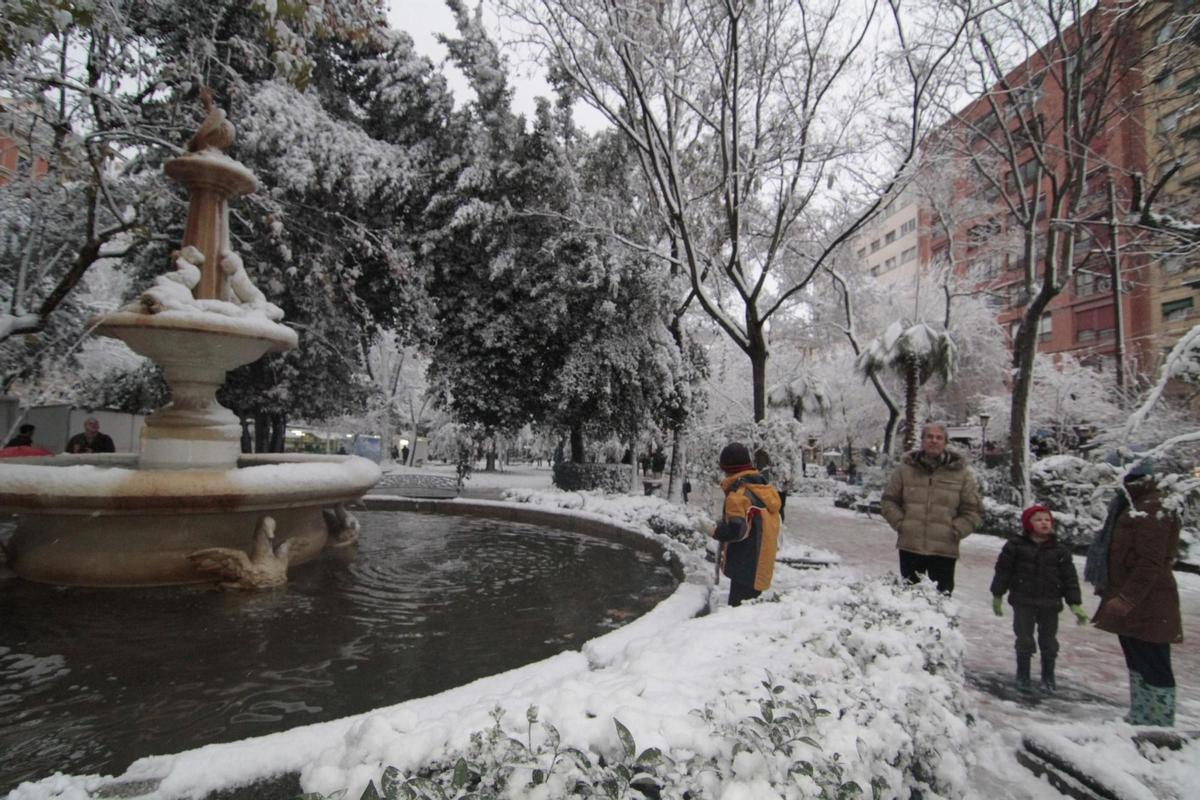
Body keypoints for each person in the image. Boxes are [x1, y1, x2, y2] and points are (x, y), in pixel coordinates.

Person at [1085, 460, 1182, 726]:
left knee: (1154, 662)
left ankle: (1159, 723)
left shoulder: (1152, 507)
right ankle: (1141, 714)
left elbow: (1150, 562)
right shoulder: (1131, 503)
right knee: (1137, 658)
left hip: (1150, 603)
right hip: (1132, 601)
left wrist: (1127, 599)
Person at [990, 504, 1089, 693]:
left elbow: (1069, 578)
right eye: (1038, 519)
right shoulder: (1015, 546)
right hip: (1023, 601)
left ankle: (1048, 678)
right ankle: (1023, 676)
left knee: (1049, 641)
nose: (1044, 523)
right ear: (1028, 524)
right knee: (1025, 639)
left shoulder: (1060, 550)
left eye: (1047, 519)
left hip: (1050, 603)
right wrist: (998, 594)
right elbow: (1003, 571)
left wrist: (1074, 603)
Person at [881, 423, 982, 595]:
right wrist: (901, 524)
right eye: (929, 436)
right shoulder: (905, 470)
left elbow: (973, 510)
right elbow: (888, 501)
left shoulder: (961, 474)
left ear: (945, 442)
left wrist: (956, 529)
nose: (933, 441)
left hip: (944, 549)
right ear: (922, 441)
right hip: (910, 546)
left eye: (939, 437)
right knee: (909, 597)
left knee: (941, 600)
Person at [710, 441, 782, 607]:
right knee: (751, 611)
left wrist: (713, 530)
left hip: (745, 565)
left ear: (726, 468)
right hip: (760, 562)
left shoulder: (739, 494)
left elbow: (737, 531)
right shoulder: (762, 487)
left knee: (738, 615)